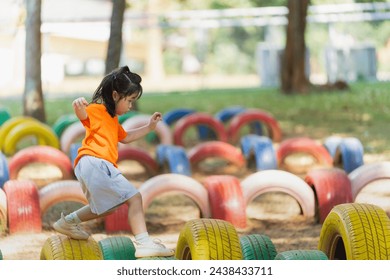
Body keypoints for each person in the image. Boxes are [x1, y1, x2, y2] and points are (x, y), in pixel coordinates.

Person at [53, 65, 174, 258]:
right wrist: (78, 106)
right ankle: (144, 243)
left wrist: (149, 127)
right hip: (96, 162)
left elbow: (126, 137)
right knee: (135, 198)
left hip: (89, 165)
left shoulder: (113, 119)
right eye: (130, 100)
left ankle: (68, 221)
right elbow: (84, 116)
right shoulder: (97, 110)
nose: (131, 106)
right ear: (116, 95)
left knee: (107, 207)